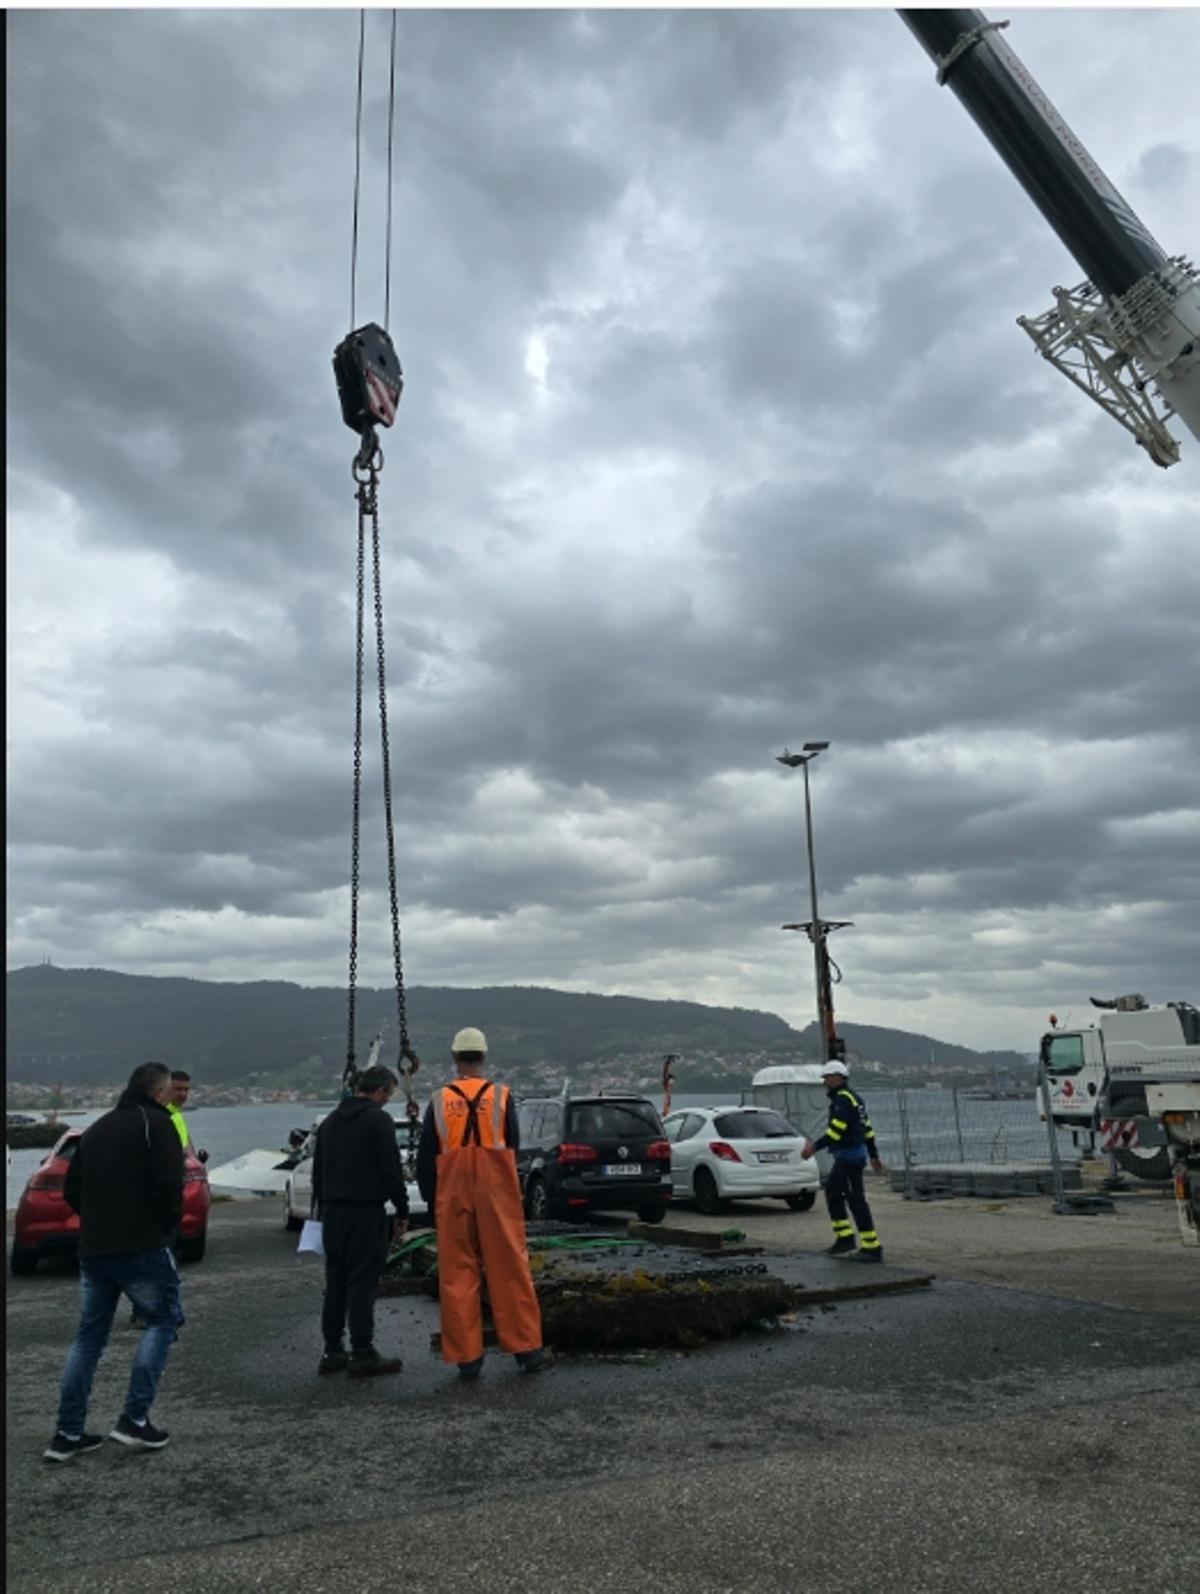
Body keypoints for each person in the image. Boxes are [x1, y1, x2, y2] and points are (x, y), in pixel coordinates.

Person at [44, 1061, 186, 1462]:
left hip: (94, 1248)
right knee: (163, 1321)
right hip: (143, 1244)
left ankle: (67, 1433)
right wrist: (166, 1227)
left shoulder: (97, 1129)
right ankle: (134, 1418)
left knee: (89, 1337)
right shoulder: (157, 1125)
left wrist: (96, 1220)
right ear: (158, 1092)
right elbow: (169, 1186)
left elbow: (72, 1188)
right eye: (169, 1091)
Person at [416, 1027, 548, 1380]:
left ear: (455, 1058)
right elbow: (513, 1146)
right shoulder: (502, 1095)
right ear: (483, 1057)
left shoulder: (438, 1099)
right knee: (510, 1267)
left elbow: (426, 1156)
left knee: (458, 1274)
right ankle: (527, 1351)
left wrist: (432, 1202)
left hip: (452, 1189)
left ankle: (467, 1359)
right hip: (496, 1188)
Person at [312, 1063, 409, 1378]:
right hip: (365, 1213)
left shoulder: (329, 1123)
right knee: (363, 1283)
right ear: (379, 1091)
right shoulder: (378, 1121)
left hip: (332, 1214)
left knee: (336, 1281)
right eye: (389, 1094)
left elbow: (317, 1173)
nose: (387, 1100)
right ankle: (363, 1351)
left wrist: (321, 1212)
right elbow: (391, 1170)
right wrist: (402, 1209)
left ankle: (332, 1350)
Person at [802, 1059, 886, 1264]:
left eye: (827, 1078)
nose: (824, 1082)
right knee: (833, 1193)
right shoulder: (855, 1098)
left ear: (837, 1078)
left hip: (849, 1157)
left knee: (855, 1200)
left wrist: (813, 1147)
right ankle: (845, 1238)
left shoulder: (842, 1099)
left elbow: (835, 1132)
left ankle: (871, 1247)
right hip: (852, 1156)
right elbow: (868, 1130)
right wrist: (873, 1155)